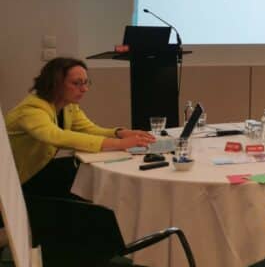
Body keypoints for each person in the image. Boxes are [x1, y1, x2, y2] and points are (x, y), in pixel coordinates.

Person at [5, 57, 154, 198]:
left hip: (39, 169)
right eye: (77, 83)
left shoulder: (68, 106)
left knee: (87, 171)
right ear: (55, 84)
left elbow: (90, 129)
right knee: (84, 176)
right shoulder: (31, 110)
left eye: (86, 82)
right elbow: (57, 136)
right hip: (18, 180)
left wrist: (120, 133)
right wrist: (119, 144)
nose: (84, 89)